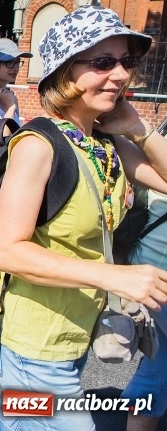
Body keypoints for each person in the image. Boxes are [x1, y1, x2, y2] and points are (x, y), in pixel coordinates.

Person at [0, 5, 167, 431]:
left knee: (20, 420)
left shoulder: (104, 141)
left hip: (75, 329)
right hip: (35, 341)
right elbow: (5, 252)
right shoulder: (39, 145)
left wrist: (137, 127)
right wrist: (113, 277)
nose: (119, 75)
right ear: (65, 71)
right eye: (102, 62)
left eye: (126, 62)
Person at [123, 130, 167, 431]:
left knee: (159, 362)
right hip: (158, 275)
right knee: (158, 367)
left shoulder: (152, 149)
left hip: (147, 269)